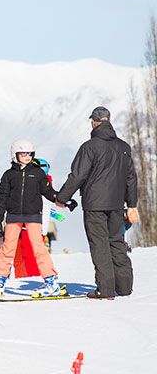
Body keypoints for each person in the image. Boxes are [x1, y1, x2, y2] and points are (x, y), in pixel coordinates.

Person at [55, 106, 139, 299]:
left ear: (93, 122)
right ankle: (125, 287)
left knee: (100, 245)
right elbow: (131, 178)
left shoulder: (89, 147)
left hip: (94, 205)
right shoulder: (123, 147)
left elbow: (77, 175)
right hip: (117, 204)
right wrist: (131, 203)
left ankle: (106, 290)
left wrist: (62, 198)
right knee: (117, 242)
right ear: (109, 121)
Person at [0, 140, 63, 298]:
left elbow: (49, 192)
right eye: (24, 153)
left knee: (38, 248)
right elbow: (2, 198)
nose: (27, 156)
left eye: (30, 153)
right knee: (8, 248)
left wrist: (63, 200)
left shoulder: (38, 173)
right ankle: (0, 279)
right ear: (15, 154)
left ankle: (51, 282)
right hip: (13, 216)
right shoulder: (8, 175)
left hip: (33, 216)